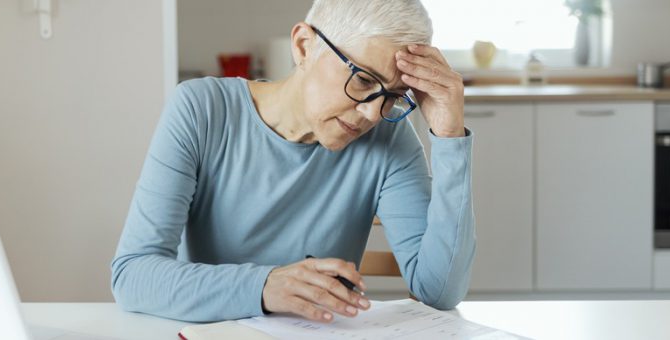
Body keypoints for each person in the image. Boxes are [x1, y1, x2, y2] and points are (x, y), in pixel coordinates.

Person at [110, 0, 475, 323]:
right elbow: (133, 275)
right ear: (303, 46)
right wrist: (266, 287)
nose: (371, 114)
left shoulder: (390, 138)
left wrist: (449, 136)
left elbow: (438, 292)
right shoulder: (202, 109)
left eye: (391, 97)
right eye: (363, 80)